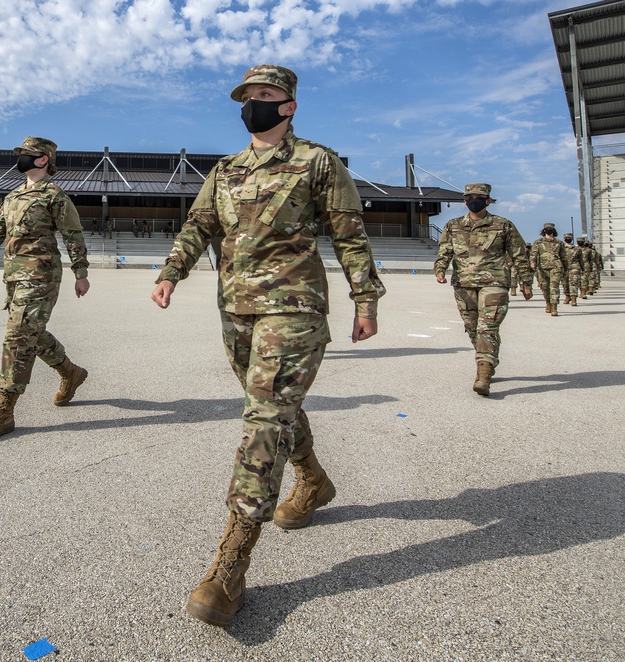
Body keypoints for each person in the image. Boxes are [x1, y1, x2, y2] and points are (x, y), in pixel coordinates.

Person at [150, 64, 385, 627]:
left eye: (265, 94)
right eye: (247, 96)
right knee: (277, 412)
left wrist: (366, 299)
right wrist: (170, 272)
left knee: (262, 419)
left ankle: (231, 560)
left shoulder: (318, 162)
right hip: (236, 311)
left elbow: (349, 232)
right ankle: (314, 480)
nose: (253, 102)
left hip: (294, 308)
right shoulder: (225, 170)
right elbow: (198, 226)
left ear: (290, 106)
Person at [0, 136, 90, 441]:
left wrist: (81, 273)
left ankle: (4, 411)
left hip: (42, 277)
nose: (21, 158)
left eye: (27, 154)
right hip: (15, 279)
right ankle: (71, 372)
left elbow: (73, 235)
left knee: (17, 337)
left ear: (43, 160)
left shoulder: (55, 196)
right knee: (31, 334)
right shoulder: (13, 196)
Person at [434, 183, 532, 396]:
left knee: (487, 328)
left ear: (488, 200)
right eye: (470, 197)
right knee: (472, 328)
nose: (474, 200)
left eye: (479, 197)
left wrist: (526, 282)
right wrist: (440, 269)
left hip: (494, 284)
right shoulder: (453, 225)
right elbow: (444, 251)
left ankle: (483, 374)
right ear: (464, 201)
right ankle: (488, 358)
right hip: (463, 284)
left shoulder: (503, 225)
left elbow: (518, 254)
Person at [529, 223, 568, 316]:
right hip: (542, 268)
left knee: (554, 287)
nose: (549, 230)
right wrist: (532, 262)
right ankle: (548, 303)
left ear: (554, 231)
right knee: (545, 287)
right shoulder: (538, 242)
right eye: (547, 229)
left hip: (556, 267)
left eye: (550, 229)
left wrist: (566, 269)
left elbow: (563, 257)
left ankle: (554, 307)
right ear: (544, 231)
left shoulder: (559, 243)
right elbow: (533, 253)